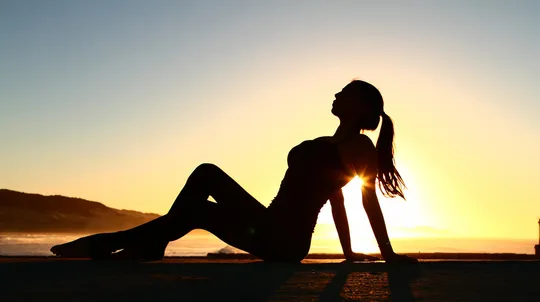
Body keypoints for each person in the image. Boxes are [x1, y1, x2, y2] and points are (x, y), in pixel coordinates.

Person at [51, 80, 417, 263]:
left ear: (361, 105)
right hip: (269, 221)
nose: (335, 95)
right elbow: (335, 197)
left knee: (196, 210)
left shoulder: (360, 148)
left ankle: (111, 243)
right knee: (206, 172)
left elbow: (364, 202)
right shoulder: (326, 141)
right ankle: (148, 244)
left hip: (285, 241)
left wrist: (383, 254)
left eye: (344, 93)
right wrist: (349, 251)